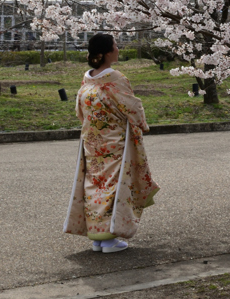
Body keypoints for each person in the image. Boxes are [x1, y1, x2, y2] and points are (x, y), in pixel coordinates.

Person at [64, 33, 159, 253]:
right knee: (112, 187)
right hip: (115, 142)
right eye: (115, 45)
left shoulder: (88, 80)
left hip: (93, 141)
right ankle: (108, 238)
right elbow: (132, 107)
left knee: (94, 186)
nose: (118, 48)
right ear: (107, 52)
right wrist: (141, 125)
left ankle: (98, 237)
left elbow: (80, 110)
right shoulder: (115, 78)